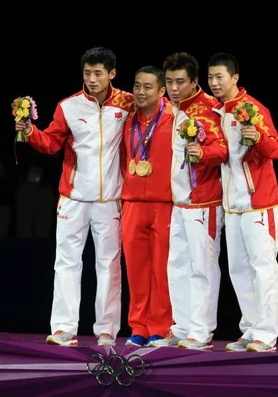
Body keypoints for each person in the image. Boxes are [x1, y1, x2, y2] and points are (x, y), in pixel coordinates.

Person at [14, 47, 134, 347]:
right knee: (66, 262)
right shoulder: (68, 106)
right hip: (74, 198)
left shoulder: (128, 104)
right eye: (87, 73)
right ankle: (63, 329)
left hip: (111, 200)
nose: (92, 79)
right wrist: (30, 131)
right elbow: (52, 143)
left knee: (109, 264)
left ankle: (107, 329)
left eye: (98, 74)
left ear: (112, 74)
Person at [207, 52, 278, 352]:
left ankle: (267, 333)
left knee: (263, 268)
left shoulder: (253, 109)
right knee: (238, 269)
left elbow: (277, 149)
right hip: (232, 206)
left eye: (220, 77)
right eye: (211, 77)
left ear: (234, 78)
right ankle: (251, 329)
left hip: (259, 204)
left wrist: (259, 138)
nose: (214, 83)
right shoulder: (217, 112)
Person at [149, 53, 227, 350]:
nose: (173, 88)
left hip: (204, 203)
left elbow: (221, 150)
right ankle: (181, 328)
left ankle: (201, 332)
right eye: (168, 82)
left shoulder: (208, 109)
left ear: (195, 81)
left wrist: (202, 155)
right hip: (178, 203)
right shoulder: (173, 108)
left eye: (180, 82)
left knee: (202, 268)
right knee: (177, 266)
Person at [120, 66, 175, 347]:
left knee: (162, 271)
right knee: (136, 271)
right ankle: (138, 327)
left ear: (162, 90)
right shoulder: (128, 120)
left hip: (164, 204)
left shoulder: (175, 119)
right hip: (132, 204)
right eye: (137, 86)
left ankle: (162, 327)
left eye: (148, 87)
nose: (140, 92)